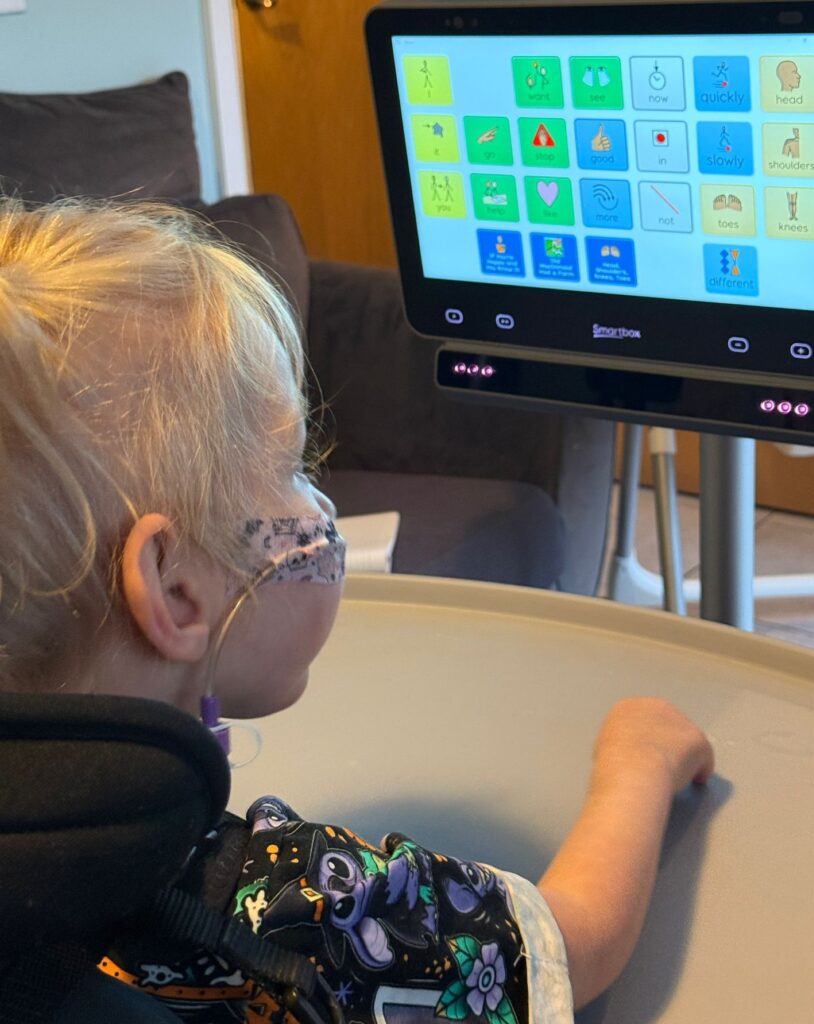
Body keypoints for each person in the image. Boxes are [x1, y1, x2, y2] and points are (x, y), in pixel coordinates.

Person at [0, 198, 714, 1023]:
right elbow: (568, 945)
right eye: (294, 465)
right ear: (176, 591)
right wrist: (642, 760)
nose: (319, 502)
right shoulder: (290, 903)